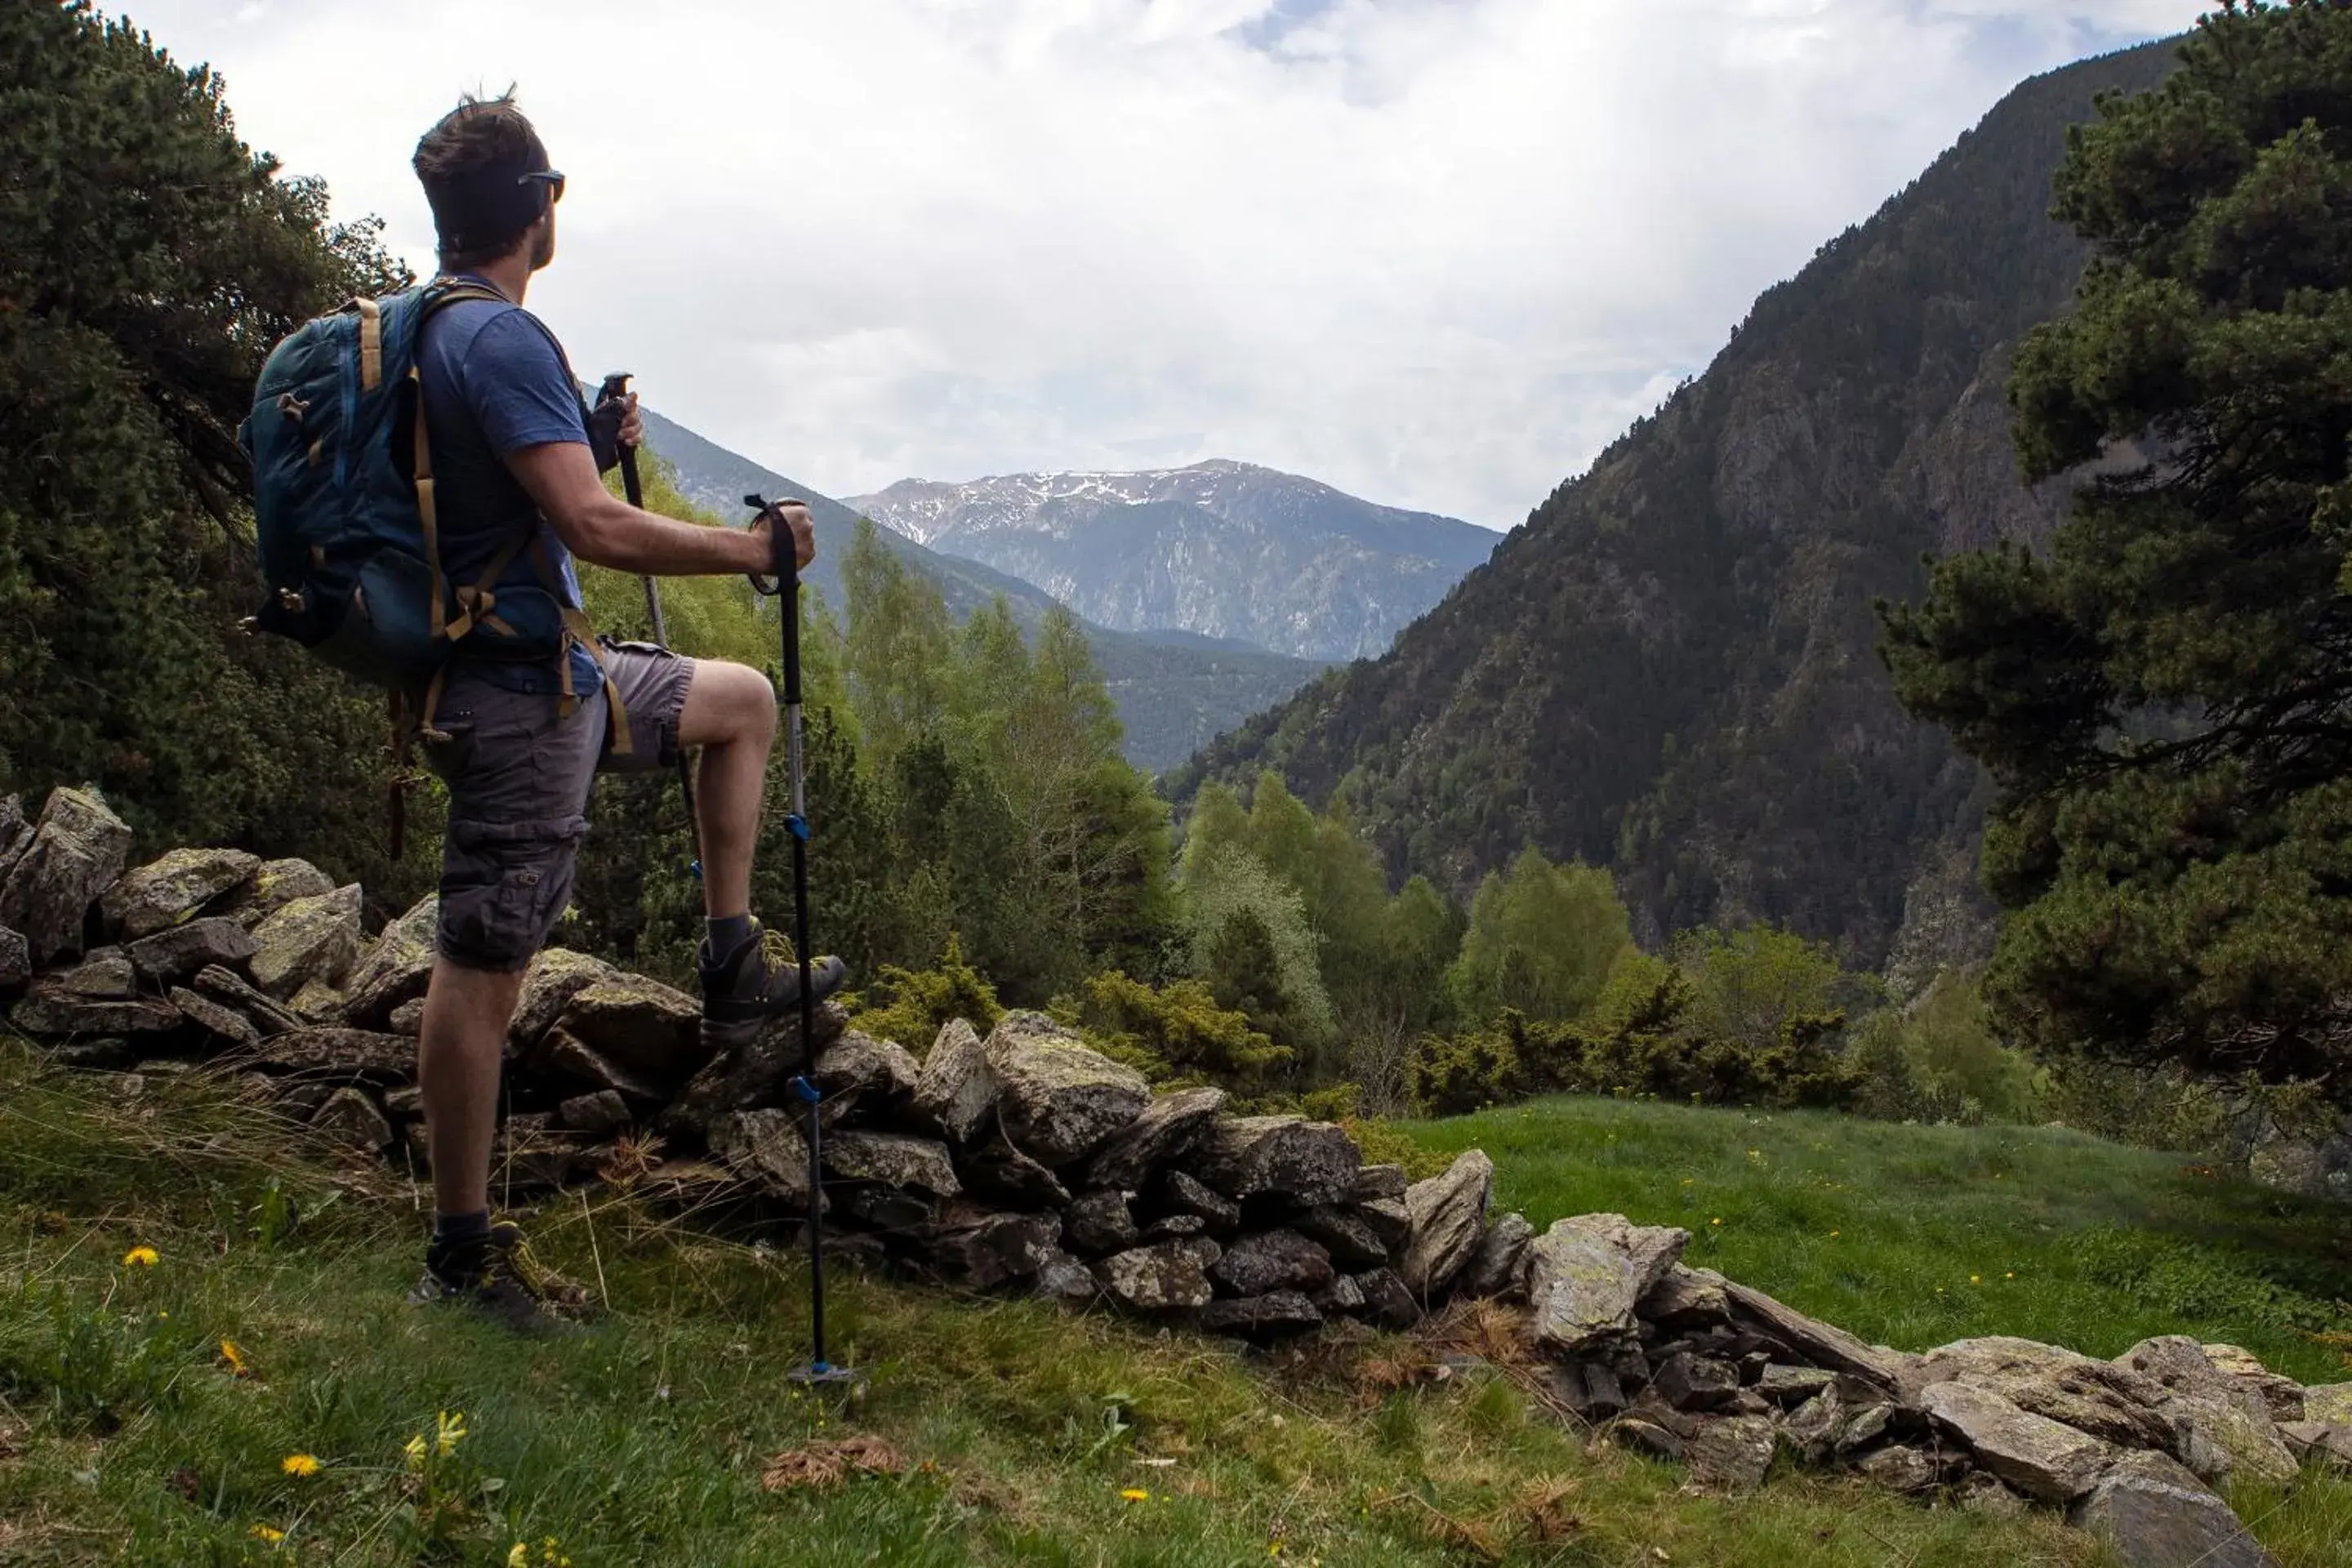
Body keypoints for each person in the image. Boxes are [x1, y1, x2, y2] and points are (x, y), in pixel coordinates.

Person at [403, 92, 843, 1330]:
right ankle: (461, 1260)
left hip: (563, 676)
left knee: (740, 702)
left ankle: (731, 960)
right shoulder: (500, 341)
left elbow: (515, 495)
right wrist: (753, 554)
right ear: (539, 209)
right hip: (515, 696)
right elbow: (591, 524)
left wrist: (584, 434)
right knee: (484, 962)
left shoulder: (445, 333)